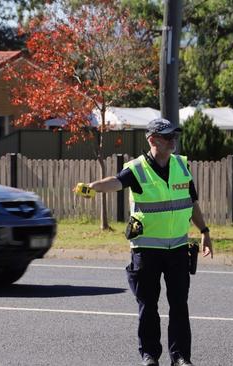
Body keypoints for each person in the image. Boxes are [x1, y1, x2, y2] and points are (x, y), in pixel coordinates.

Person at [74, 118, 213, 366]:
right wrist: (92, 188)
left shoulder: (182, 166)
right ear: (152, 140)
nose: (173, 141)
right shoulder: (137, 169)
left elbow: (191, 203)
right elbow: (116, 182)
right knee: (148, 306)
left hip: (178, 249)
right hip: (146, 250)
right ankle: (149, 355)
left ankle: (180, 356)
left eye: (174, 137)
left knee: (179, 305)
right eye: (168, 137)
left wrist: (204, 231)